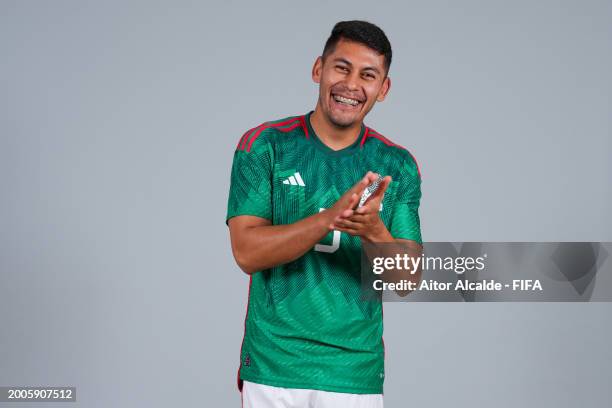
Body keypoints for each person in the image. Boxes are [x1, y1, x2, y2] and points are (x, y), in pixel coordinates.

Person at [226, 20, 423, 408]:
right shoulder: (265, 145)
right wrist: (327, 218)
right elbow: (246, 252)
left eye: (368, 75)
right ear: (319, 69)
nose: (351, 84)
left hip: (353, 372)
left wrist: (372, 231)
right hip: (273, 366)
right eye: (341, 67)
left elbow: (407, 279)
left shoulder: (396, 165)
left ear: (383, 89)